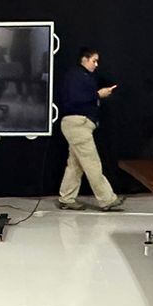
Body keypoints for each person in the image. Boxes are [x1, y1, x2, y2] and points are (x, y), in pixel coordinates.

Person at [54, 47, 124, 211]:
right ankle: (107, 199)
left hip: (77, 125)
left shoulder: (81, 77)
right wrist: (98, 95)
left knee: (75, 164)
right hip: (77, 124)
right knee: (92, 163)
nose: (96, 64)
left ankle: (66, 198)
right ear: (84, 59)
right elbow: (76, 99)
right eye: (94, 60)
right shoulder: (76, 77)